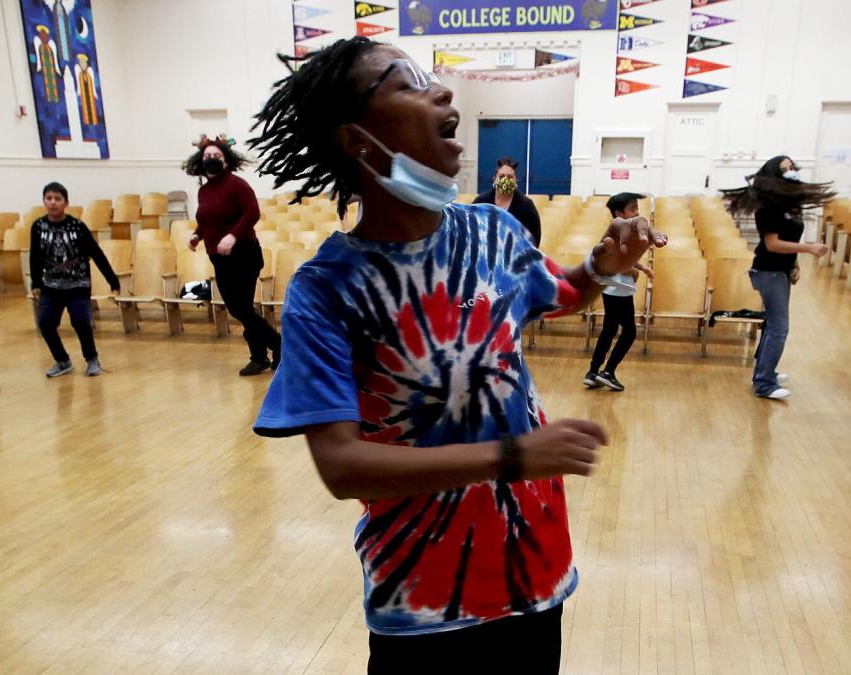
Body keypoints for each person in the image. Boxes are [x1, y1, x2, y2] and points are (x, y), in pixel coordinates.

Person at [248, 37, 666, 671]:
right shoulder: (327, 289)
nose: (442, 91)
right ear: (359, 141)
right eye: (408, 83)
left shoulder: (493, 231)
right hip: (424, 603)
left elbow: (562, 294)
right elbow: (341, 466)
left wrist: (602, 265)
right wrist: (511, 456)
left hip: (536, 572)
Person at [723, 155, 832, 400]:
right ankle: (764, 383)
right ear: (773, 174)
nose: (790, 171)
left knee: (773, 325)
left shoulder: (788, 206)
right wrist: (809, 249)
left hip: (780, 271)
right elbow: (772, 245)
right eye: (784, 169)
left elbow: (790, 241)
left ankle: (766, 372)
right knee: (779, 328)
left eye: (792, 167)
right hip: (767, 271)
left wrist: (794, 264)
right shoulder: (768, 207)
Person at [183, 134, 281, 376]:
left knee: (241, 308)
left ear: (226, 159)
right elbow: (207, 219)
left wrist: (233, 235)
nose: (212, 159)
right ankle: (266, 352)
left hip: (244, 254)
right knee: (239, 308)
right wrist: (197, 235)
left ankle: (272, 348)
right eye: (207, 156)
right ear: (200, 160)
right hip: (219, 257)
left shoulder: (237, 185)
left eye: (216, 155)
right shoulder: (204, 191)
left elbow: (252, 213)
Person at [30, 181, 120, 378]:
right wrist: (36, 282)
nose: (53, 203)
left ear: (66, 202)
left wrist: (112, 280)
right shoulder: (38, 227)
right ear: (44, 201)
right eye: (49, 198)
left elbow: (96, 254)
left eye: (57, 199)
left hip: (78, 284)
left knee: (80, 321)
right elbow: (35, 256)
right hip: (51, 285)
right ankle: (62, 361)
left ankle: (92, 359)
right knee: (45, 323)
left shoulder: (77, 227)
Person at [584, 192, 654, 392]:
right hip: (619, 291)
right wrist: (633, 270)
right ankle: (608, 372)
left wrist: (641, 268)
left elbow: (627, 258)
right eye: (632, 208)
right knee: (629, 332)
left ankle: (593, 372)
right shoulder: (616, 234)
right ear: (618, 213)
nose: (637, 212)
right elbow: (618, 262)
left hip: (613, 290)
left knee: (609, 330)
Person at [472, 157, 542, 246]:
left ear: (516, 180)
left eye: (510, 177)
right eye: (501, 176)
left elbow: (534, 237)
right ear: (494, 179)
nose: (505, 180)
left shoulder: (526, 205)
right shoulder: (481, 202)